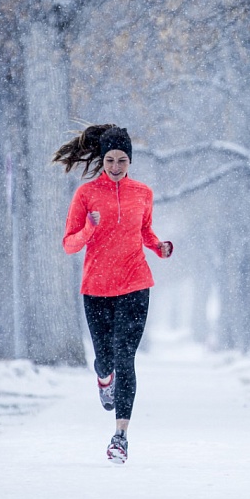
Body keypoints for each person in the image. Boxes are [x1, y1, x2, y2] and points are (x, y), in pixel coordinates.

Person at [54, 124, 173, 464]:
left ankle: (120, 436)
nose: (116, 167)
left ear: (130, 161)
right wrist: (90, 229)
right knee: (105, 358)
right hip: (96, 287)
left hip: (135, 284)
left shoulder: (143, 193)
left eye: (122, 160)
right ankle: (103, 377)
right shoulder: (86, 195)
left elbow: (145, 231)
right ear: (102, 160)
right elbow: (68, 244)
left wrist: (160, 247)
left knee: (125, 357)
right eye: (110, 160)